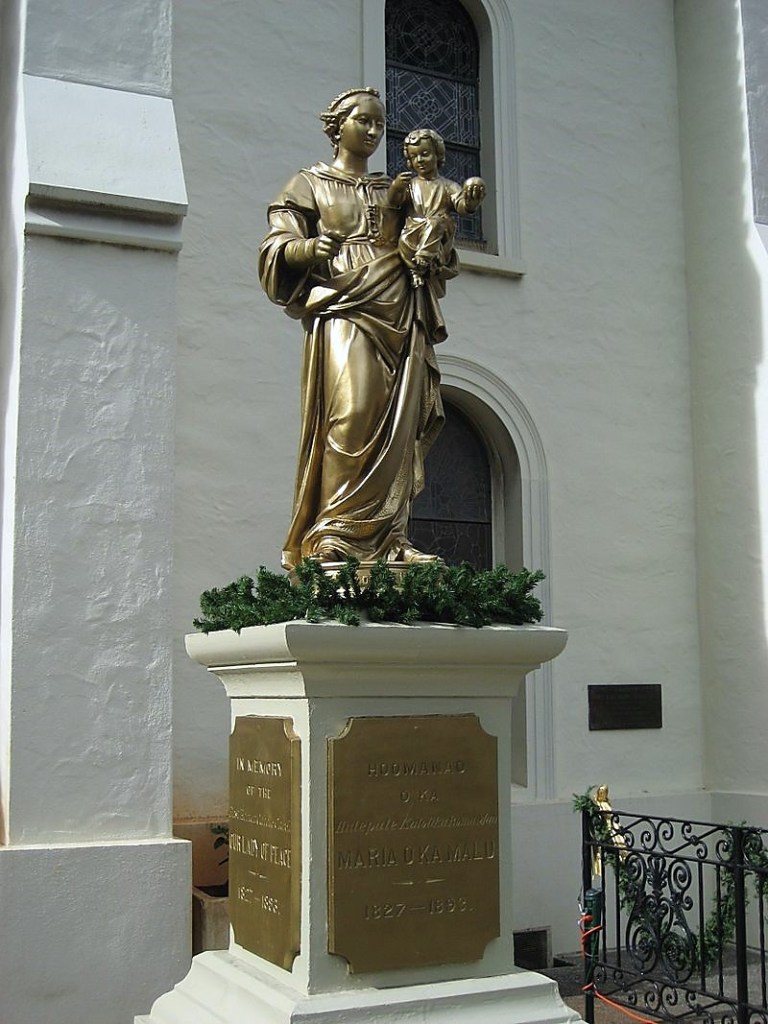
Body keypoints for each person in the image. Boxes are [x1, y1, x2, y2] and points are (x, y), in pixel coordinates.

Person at [259, 88, 452, 570]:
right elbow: (277, 242)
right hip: (344, 305)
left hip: (400, 307)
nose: (373, 130)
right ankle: (334, 535)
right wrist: (307, 250)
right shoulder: (309, 184)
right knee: (351, 413)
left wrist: (434, 243)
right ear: (337, 125)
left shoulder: (396, 188)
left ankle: (390, 538)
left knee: (398, 425)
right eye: (363, 120)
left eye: (379, 124)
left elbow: (431, 234)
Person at [387, 128, 485, 287]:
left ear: (438, 154)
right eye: (414, 156)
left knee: (436, 223)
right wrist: (396, 187)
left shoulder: (448, 186)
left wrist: (470, 203)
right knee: (413, 234)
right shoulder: (410, 185)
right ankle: (416, 269)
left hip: (438, 234)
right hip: (413, 234)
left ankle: (423, 261)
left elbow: (460, 204)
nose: (419, 160)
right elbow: (394, 202)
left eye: (425, 154)